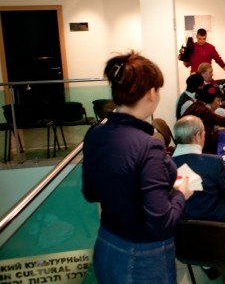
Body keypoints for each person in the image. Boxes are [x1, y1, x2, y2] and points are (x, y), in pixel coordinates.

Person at [82, 51, 193, 284]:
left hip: (106, 244)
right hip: (143, 257)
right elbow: (161, 224)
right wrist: (180, 194)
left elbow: (90, 193)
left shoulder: (95, 134)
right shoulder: (148, 146)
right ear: (151, 92)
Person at [172, 116, 225, 225]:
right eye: (204, 133)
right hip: (219, 224)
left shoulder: (165, 166)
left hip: (181, 227)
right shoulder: (214, 162)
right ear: (198, 135)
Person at [183, 84, 225, 154]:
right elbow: (224, 122)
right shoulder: (202, 110)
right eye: (218, 100)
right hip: (196, 147)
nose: (220, 104)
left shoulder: (197, 105)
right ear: (210, 99)